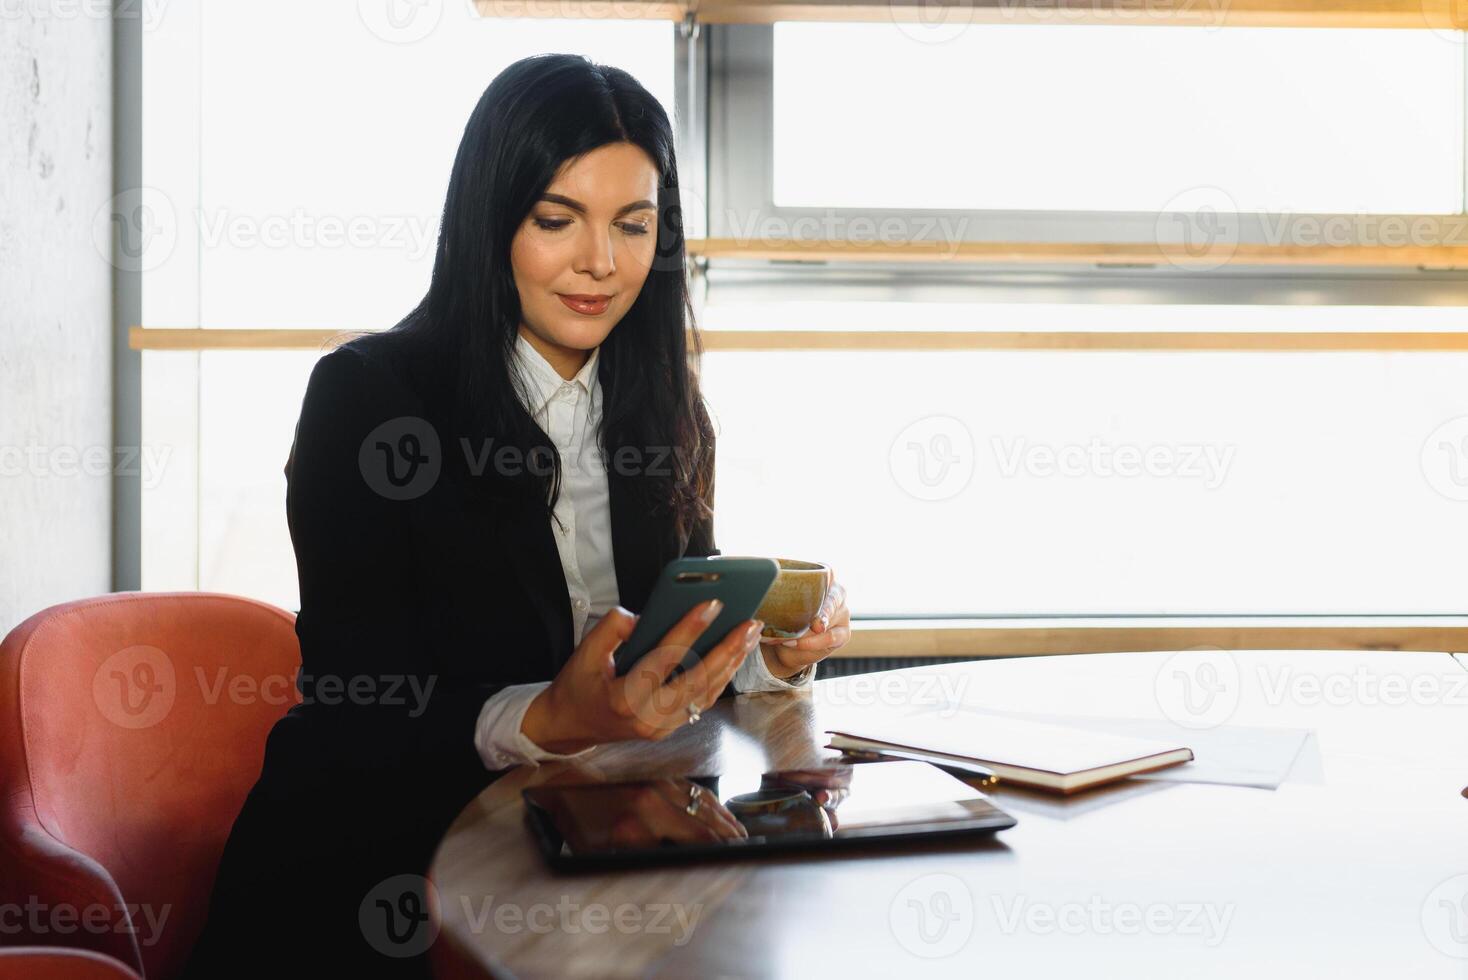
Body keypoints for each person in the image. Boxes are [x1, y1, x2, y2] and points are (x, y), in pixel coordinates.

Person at [184, 53, 850, 977]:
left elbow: (661, 661)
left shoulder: (663, 408)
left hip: (595, 857)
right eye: (555, 220)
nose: (600, 263)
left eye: (633, 225)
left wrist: (761, 658)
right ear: (491, 222)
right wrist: (550, 715)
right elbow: (360, 704)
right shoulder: (370, 400)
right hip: (378, 873)